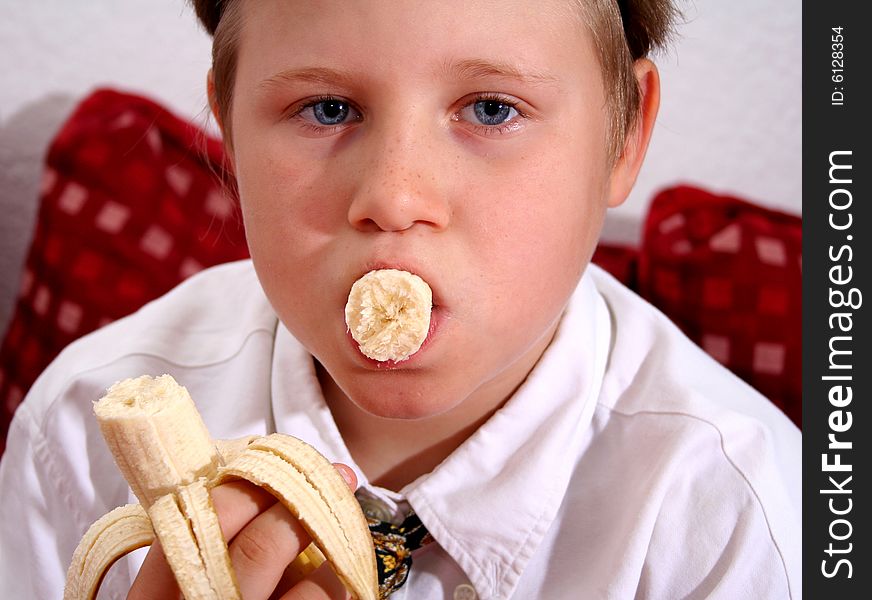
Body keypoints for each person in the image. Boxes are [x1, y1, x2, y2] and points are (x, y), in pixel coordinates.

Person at [0, 0, 801, 598]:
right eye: (327, 109)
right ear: (231, 135)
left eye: (492, 109)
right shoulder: (76, 428)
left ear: (623, 137)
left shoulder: (741, 519)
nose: (393, 196)